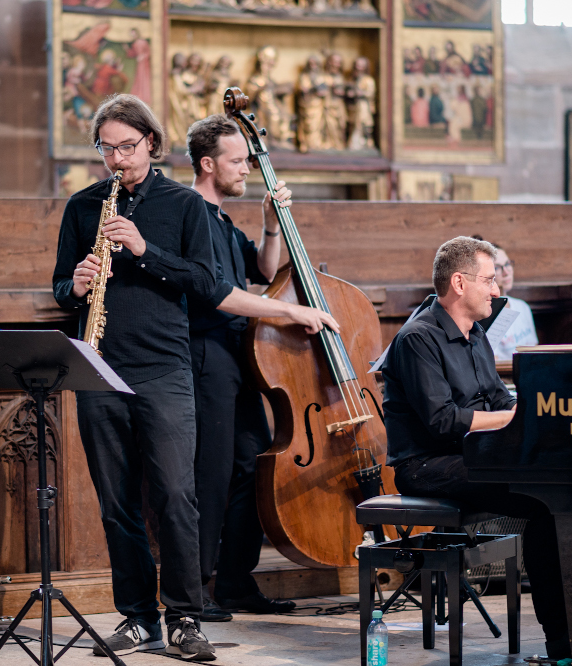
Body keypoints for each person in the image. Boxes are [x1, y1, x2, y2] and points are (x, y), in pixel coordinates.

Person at [51, 94, 218, 661]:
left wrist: (145, 250)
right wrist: (74, 285)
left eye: (127, 146)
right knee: (116, 503)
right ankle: (139, 617)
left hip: (163, 369)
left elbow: (206, 283)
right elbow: (59, 288)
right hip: (98, 369)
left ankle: (185, 617)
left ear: (151, 142)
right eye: (107, 149)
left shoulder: (184, 205)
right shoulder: (83, 207)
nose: (117, 159)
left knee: (174, 496)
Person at [380, 236, 572, 659]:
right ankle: (563, 640)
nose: (496, 290)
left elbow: (499, 399)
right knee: (545, 503)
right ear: (459, 282)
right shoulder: (417, 338)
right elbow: (442, 420)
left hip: (472, 455)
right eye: (489, 280)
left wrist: (537, 413)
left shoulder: (475, 334)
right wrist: (517, 420)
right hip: (425, 465)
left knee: (561, 488)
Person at [184, 115, 340, 622]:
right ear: (208, 164)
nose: (247, 168)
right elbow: (221, 295)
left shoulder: (224, 220)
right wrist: (290, 312)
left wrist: (271, 223)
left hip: (238, 356)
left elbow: (265, 271)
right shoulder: (190, 213)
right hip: (207, 353)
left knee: (254, 465)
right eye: (237, 160)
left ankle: (235, 580)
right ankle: (195, 588)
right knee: (210, 474)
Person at [486, 240, 537, 361]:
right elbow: (493, 361)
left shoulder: (523, 307)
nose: (506, 272)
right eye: (497, 267)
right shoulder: (485, 313)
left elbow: (534, 349)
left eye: (508, 264)